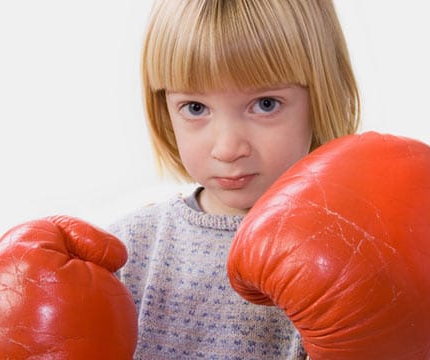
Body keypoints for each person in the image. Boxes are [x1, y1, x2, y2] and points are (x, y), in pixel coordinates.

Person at [107, 0, 360, 358]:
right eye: (195, 108)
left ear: (322, 97)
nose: (227, 149)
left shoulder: (352, 249)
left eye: (266, 104)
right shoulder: (127, 250)